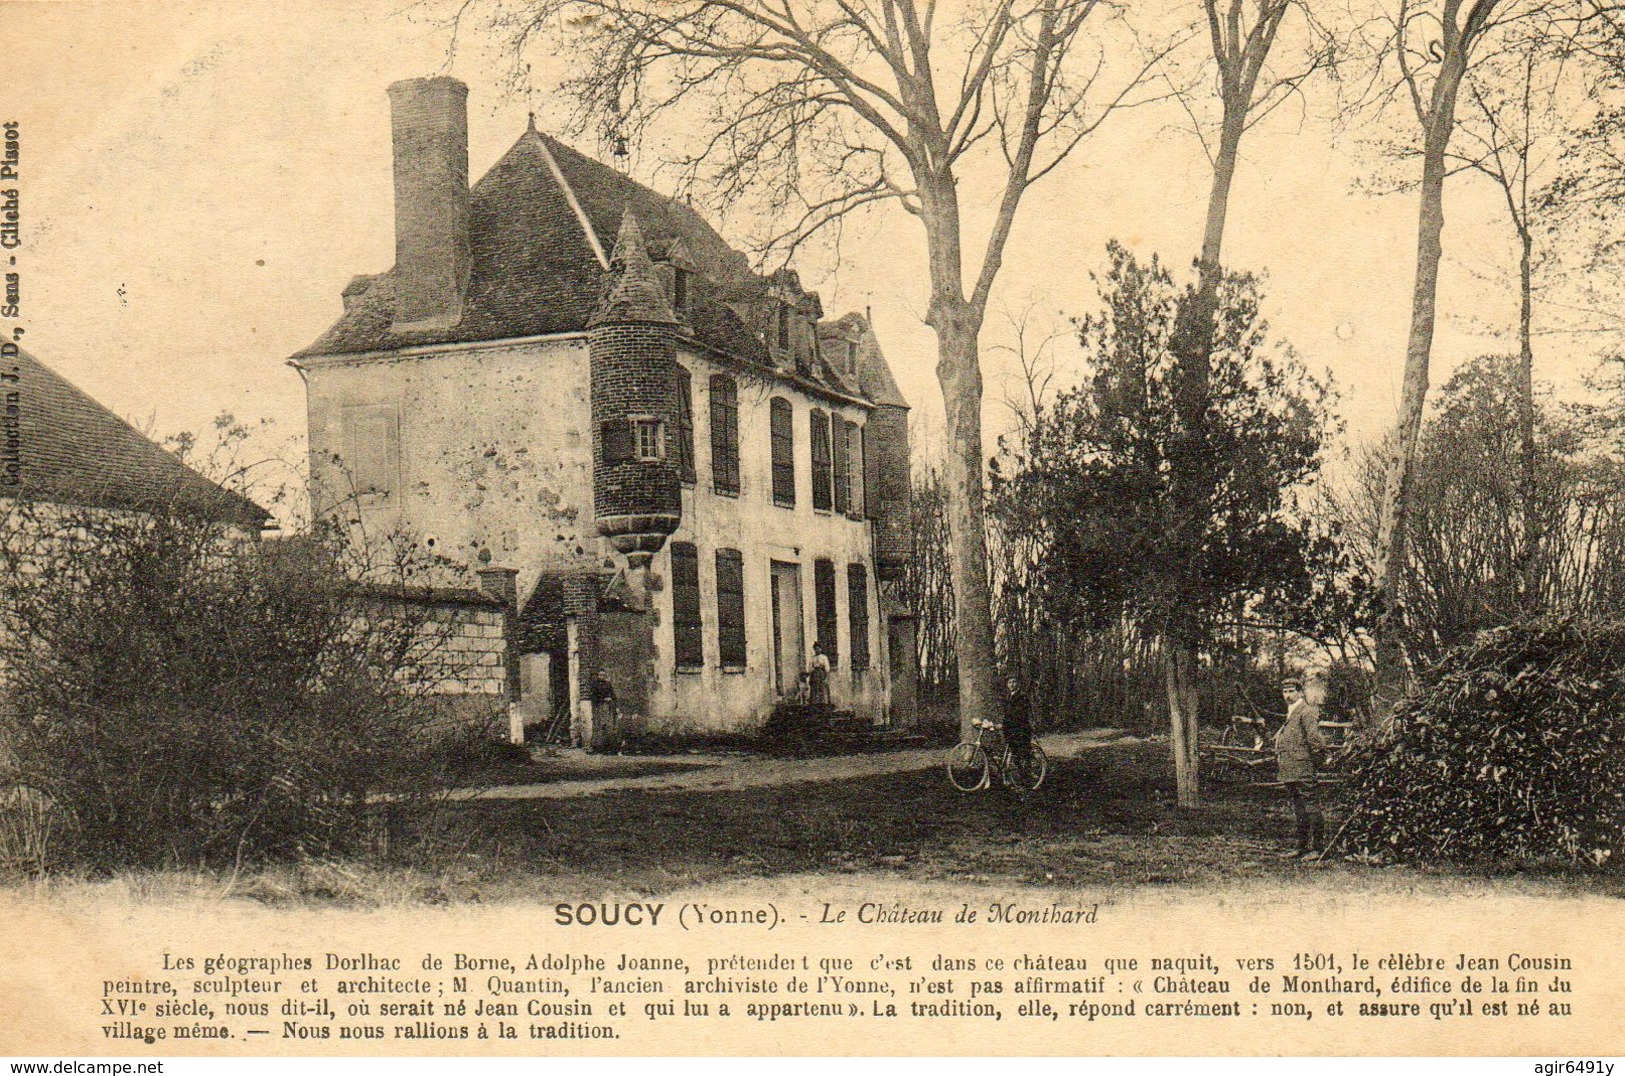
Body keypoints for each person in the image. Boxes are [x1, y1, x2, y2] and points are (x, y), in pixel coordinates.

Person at [1274, 675, 1327, 859]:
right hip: (1290, 769)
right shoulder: (1291, 711)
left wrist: (1315, 764)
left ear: (1300, 692)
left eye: (1291, 691)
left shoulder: (1307, 711)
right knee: (1299, 809)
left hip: (1304, 768)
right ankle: (1302, 847)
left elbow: (1315, 742)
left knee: (1311, 807)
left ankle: (1318, 849)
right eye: (1285, 691)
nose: (1287, 695)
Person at [1003, 675, 1034, 788]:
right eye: (1010, 682)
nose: (1012, 684)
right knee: (1015, 755)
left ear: (1018, 684)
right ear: (1007, 685)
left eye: (1014, 682)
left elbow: (1019, 714)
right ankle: (1018, 779)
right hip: (1011, 729)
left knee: (1023, 755)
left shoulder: (1022, 697)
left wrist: (1007, 722)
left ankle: (1027, 781)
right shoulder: (1009, 697)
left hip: (1021, 729)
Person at [808, 641, 831, 708]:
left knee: (823, 688)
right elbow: (810, 668)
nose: (817, 650)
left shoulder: (824, 657)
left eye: (818, 648)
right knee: (814, 689)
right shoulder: (812, 658)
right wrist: (813, 671)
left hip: (822, 674)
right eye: (815, 649)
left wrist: (825, 676)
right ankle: (815, 704)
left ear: (821, 649)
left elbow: (827, 668)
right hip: (814, 675)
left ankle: (824, 703)